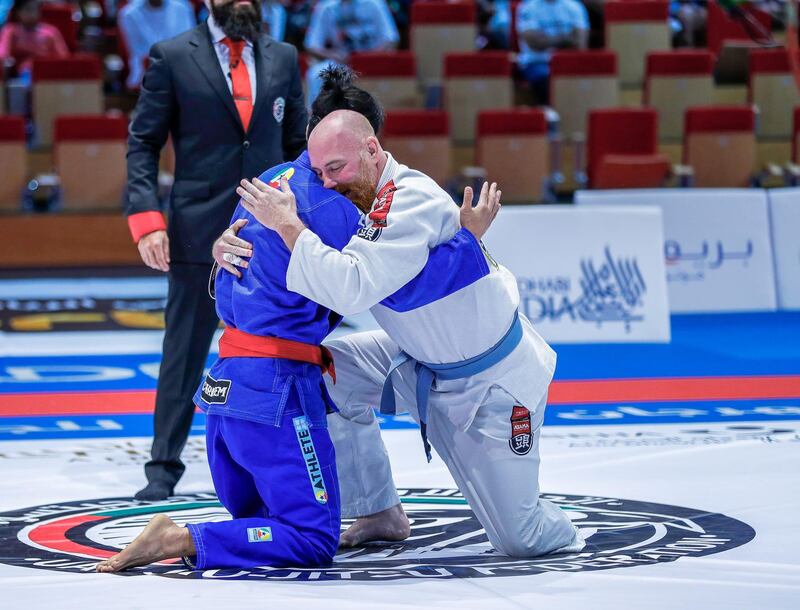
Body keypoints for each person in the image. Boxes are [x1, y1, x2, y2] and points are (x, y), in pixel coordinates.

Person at [96, 134, 501, 574]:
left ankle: (380, 513)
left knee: (267, 526)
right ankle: (179, 538)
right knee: (310, 538)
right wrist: (467, 239)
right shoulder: (340, 207)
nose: (336, 182)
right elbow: (401, 287)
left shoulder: (269, 182)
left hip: (226, 393)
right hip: (277, 395)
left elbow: (229, 273)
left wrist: (217, 252)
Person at [224, 74, 584, 557]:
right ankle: (379, 511)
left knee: (522, 539)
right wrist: (224, 244)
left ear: (373, 150)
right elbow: (281, 250)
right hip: (417, 359)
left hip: (492, 386)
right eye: (320, 172)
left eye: (337, 167)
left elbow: (348, 289)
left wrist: (287, 224)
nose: (328, 183)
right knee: (321, 373)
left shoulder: (407, 199)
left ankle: (563, 529)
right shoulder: (356, 200)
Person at [126, 0, 306, 502]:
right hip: (196, 232)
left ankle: (284, 462)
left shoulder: (284, 57)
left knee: (278, 349)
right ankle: (162, 467)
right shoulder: (171, 56)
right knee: (183, 353)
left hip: (269, 234)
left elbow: (297, 145)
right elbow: (143, 144)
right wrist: (146, 222)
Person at [303, 0, 398, 104]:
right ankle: (315, 116)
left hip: (372, 60)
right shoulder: (326, 7)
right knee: (316, 73)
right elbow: (311, 45)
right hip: (342, 61)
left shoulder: (374, 4)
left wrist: (369, 57)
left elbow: (390, 38)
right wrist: (332, 54)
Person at [516, 0, 589, 103]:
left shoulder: (574, 6)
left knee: (586, 80)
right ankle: (549, 114)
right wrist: (566, 38)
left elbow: (580, 44)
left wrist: (547, 40)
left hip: (568, 63)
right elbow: (534, 43)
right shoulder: (528, 7)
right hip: (537, 62)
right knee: (545, 77)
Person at [118, 0, 196, 89]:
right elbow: (140, 53)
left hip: (182, 72)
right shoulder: (129, 14)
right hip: (146, 75)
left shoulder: (183, 8)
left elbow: (188, 46)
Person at [0, 0, 69, 77]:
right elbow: (2, 52)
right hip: (20, 73)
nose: (32, 13)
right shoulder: (10, 30)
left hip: (47, 73)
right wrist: (6, 61)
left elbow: (63, 57)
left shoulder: (51, 32)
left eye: (35, 9)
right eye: (27, 9)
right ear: (18, 12)